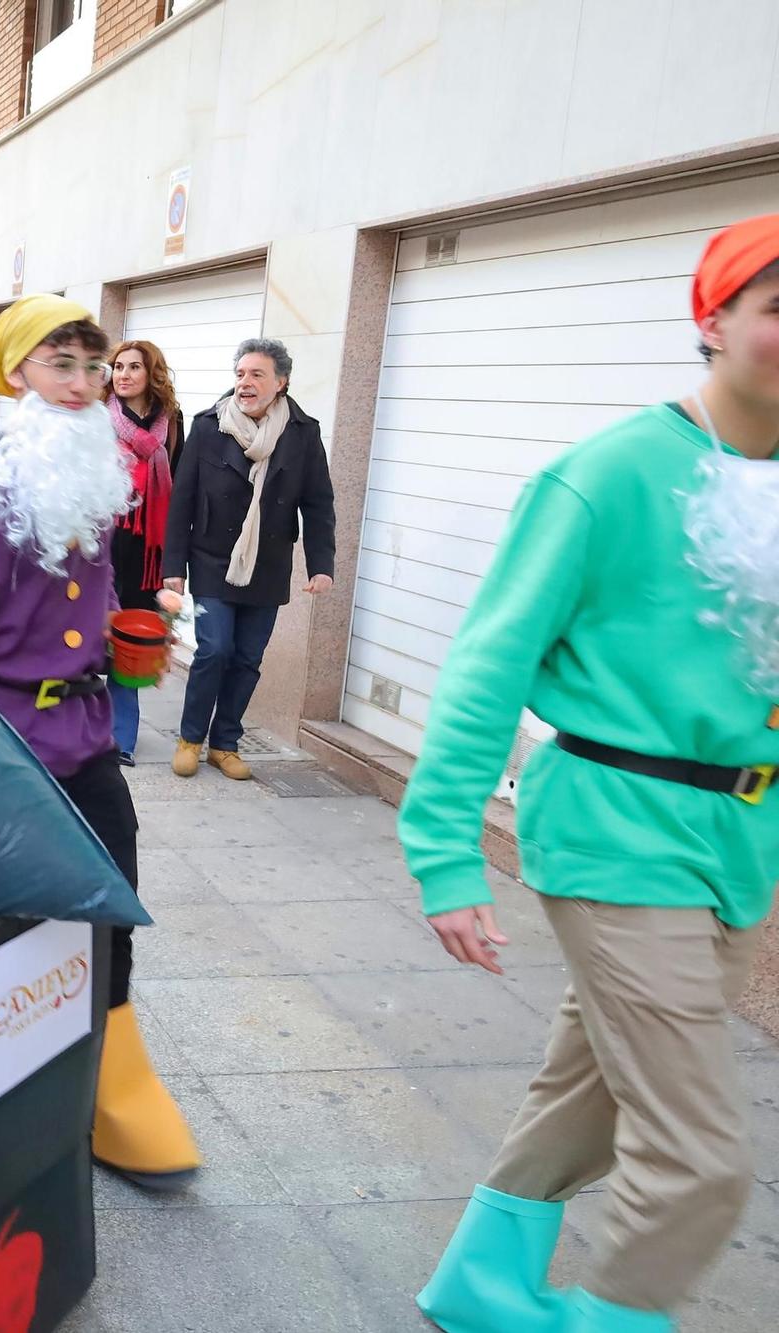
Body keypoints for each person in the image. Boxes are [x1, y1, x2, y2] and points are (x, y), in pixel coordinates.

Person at [403, 215, 779, 1333]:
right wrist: (443, 851)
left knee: (599, 1086)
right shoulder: (605, 475)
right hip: (616, 829)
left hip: (736, 840)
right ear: (714, 321)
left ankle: (480, 1281)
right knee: (701, 1158)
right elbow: (487, 666)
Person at [0, 294, 200, 1189]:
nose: (83, 383)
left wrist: (126, 636)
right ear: (16, 373)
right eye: (61, 364)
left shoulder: (93, 476)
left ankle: (112, 1092)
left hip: (84, 738)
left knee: (110, 913)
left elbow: (81, 603)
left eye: (94, 367)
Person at [160, 338, 336, 780]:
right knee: (215, 649)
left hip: (268, 563)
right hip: (211, 558)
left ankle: (225, 744)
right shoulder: (209, 426)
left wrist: (321, 564)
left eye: (257, 374)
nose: (245, 383)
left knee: (247, 658)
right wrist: (173, 568)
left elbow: (318, 502)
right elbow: (182, 500)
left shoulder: (302, 433)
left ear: (281, 382)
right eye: (240, 374)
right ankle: (190, 738)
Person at [106, 339, 185, 765]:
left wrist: (176, 560)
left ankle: (120, 739)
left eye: (134, 367)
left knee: (132, 642)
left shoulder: (171, 423)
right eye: (119, 366)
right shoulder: (98, 416)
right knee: (88, 636)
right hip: (102, 542)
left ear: (151, 373)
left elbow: (181, 486)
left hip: (146, 550)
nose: (124, 374)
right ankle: (78, 723)